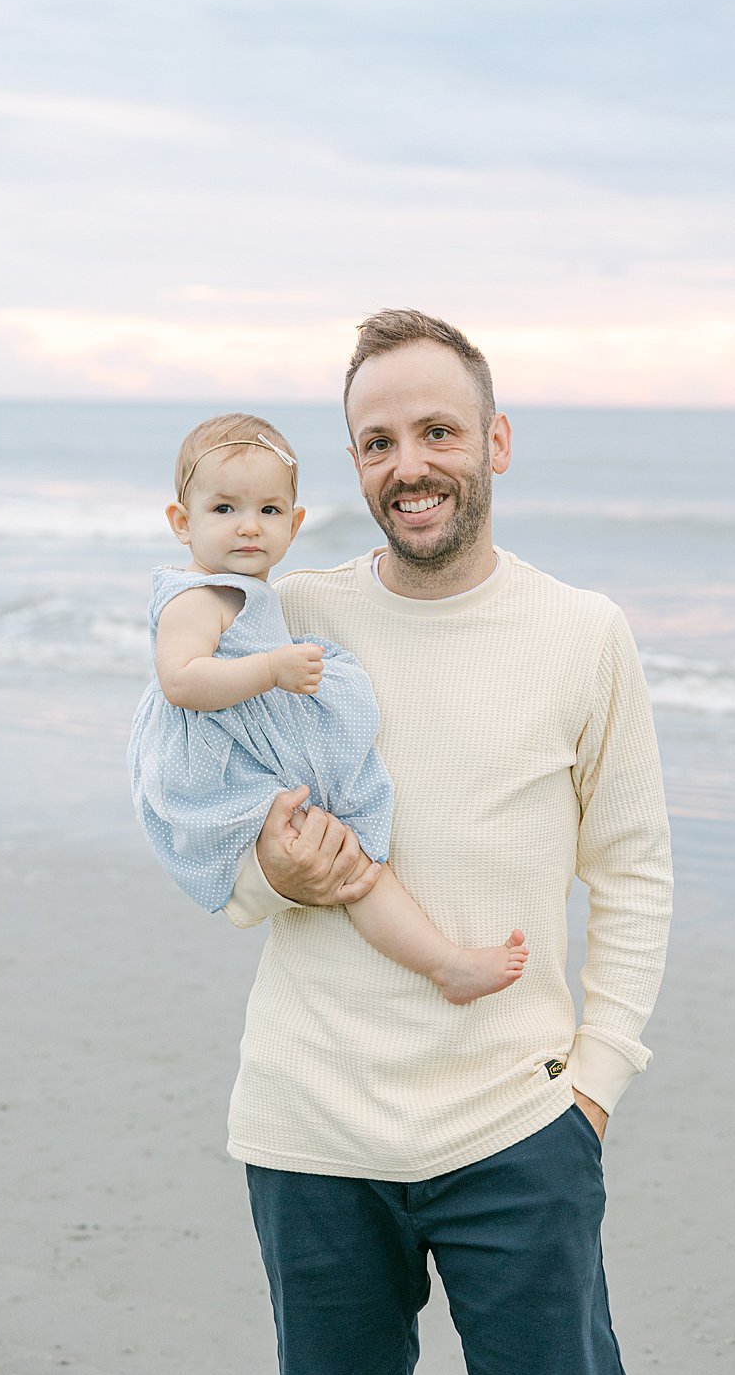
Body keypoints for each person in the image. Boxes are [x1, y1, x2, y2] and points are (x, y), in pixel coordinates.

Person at [217, 310, 674, 1375]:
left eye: (438, 432)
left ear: (496, 442)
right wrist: (263, 878)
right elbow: (193, 821)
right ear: (354, 465)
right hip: (311, 1128)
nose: (409, 467)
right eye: (379, 443)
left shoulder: (582, 632)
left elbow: (633, 873)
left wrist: (593, 1089)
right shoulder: (289, 622)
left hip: (518, 1124)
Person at [128, 412, 530, 1003]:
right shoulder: (197, 598)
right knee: (350, 862)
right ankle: (444, 965)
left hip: (253, 754)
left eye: (268, 511)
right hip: (225, 775)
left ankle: (444, 964)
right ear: (181, 523)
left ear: (294, 526)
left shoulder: (253, 593)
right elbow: (181, 681)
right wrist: (271, 668)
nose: (248, 528)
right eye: (224, 510)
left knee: (352, 863)